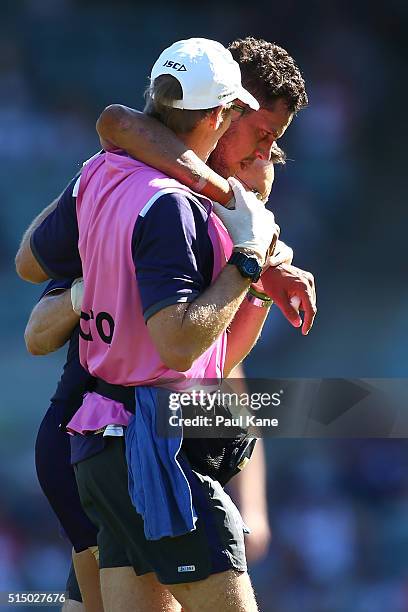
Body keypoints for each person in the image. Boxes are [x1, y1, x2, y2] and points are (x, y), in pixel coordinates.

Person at [17, 38, 316, 611]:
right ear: (223, 113)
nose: (267, 153)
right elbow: (34, 285)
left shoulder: (213, 199)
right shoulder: (156, 191)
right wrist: (244, 253)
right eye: (260, 134)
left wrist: (255, 268)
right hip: (109, 428)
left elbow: (219, 363)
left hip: (127, 441)